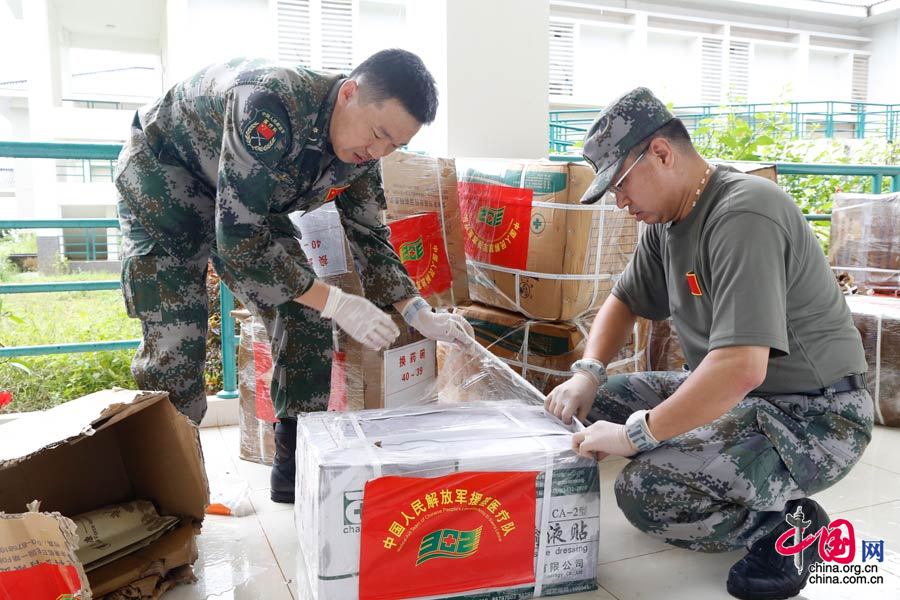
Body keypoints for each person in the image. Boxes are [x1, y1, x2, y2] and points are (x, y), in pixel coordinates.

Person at [545, 87, 872, 600]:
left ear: (660, 152)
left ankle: (788, 528)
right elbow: (624, 299)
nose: (621, 201)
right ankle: (734, 473)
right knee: (596, 404)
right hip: (739, 395)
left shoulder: (744, 213)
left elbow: (742, 367)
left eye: (622, 185)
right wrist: (588, 372)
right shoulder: (669, 220)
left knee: (646, 490)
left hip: (812, 414)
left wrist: (636, 438)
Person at [115, 49, 473, 503]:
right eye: (379, 134)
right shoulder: (270, 105)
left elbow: (368, 232)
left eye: (395, 146)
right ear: (349, 93)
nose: (378, 152)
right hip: (167, 177)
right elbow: (240, 240)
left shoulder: (364, 150)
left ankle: (294, 467)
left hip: (247, 200)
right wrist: (340, 301)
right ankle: (165, 494)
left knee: (304, 312)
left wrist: (416, 309)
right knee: (176, 337)